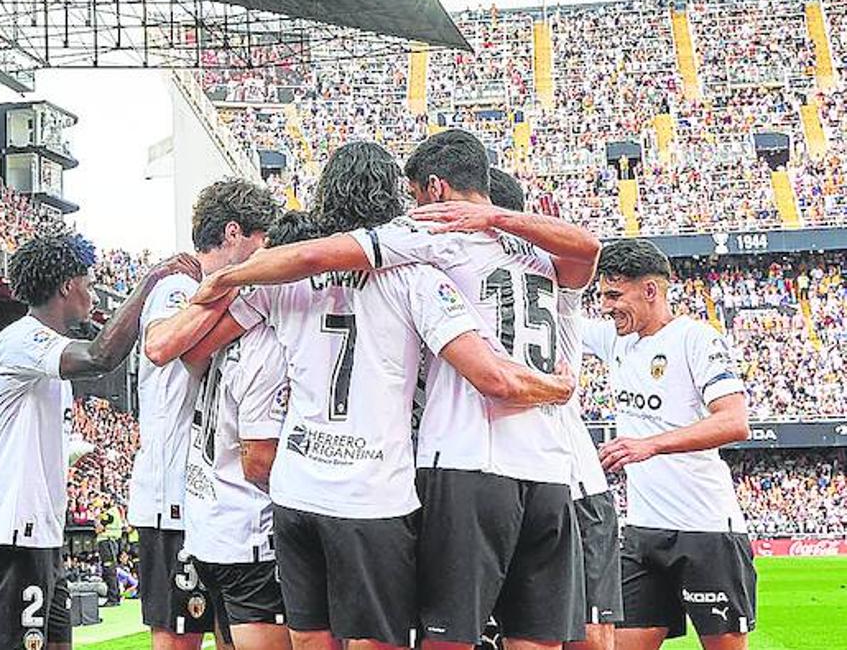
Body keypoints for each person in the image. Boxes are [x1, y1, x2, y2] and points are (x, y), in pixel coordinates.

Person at [193, 132, 601, 650]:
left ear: (434, 189)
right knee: (533, 638)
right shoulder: (538, 255)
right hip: (540, 470)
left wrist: (228, 278)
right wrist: (555, 389)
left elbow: (315, 260)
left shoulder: (422, 245)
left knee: (427, 639)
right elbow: (589, 247)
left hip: (442, 467)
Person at [0, 231, 201, 650]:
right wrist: (149, 283)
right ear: (67, 287)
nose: (92, 298)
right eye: (88, 286)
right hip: (14, 530)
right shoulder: (22, 339)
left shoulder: (44, 353)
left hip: (42, 533)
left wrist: (69, 455)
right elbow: (100, 357)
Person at [583, 239, 755, 650]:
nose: (605, 306)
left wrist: (651, 445)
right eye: (602, 294)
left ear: (650, 290)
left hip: (706, 529)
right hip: (643, 534)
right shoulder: (616, 341)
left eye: (614, 294)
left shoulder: (695, 339)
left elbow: (735, 421)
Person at [133, 178, 279, 650]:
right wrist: (233, 284)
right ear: (234, 234)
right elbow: (163, 347)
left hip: (211, 504)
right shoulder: (180, 285)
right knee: (180, 641)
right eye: (261, 241)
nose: (267, 252)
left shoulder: (215, 291)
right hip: (171, 499)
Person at [490, 168, 624, 650]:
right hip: (532, 477)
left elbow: (585, 249)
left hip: (568, 480)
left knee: (584, 633)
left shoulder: (549, 276)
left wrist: (498, 220)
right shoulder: (540, 274)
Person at [182, 211, 320, 650]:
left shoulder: (226, 333)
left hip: (212, 524)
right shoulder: (268, 343)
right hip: (248, 535)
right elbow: (258, 461)